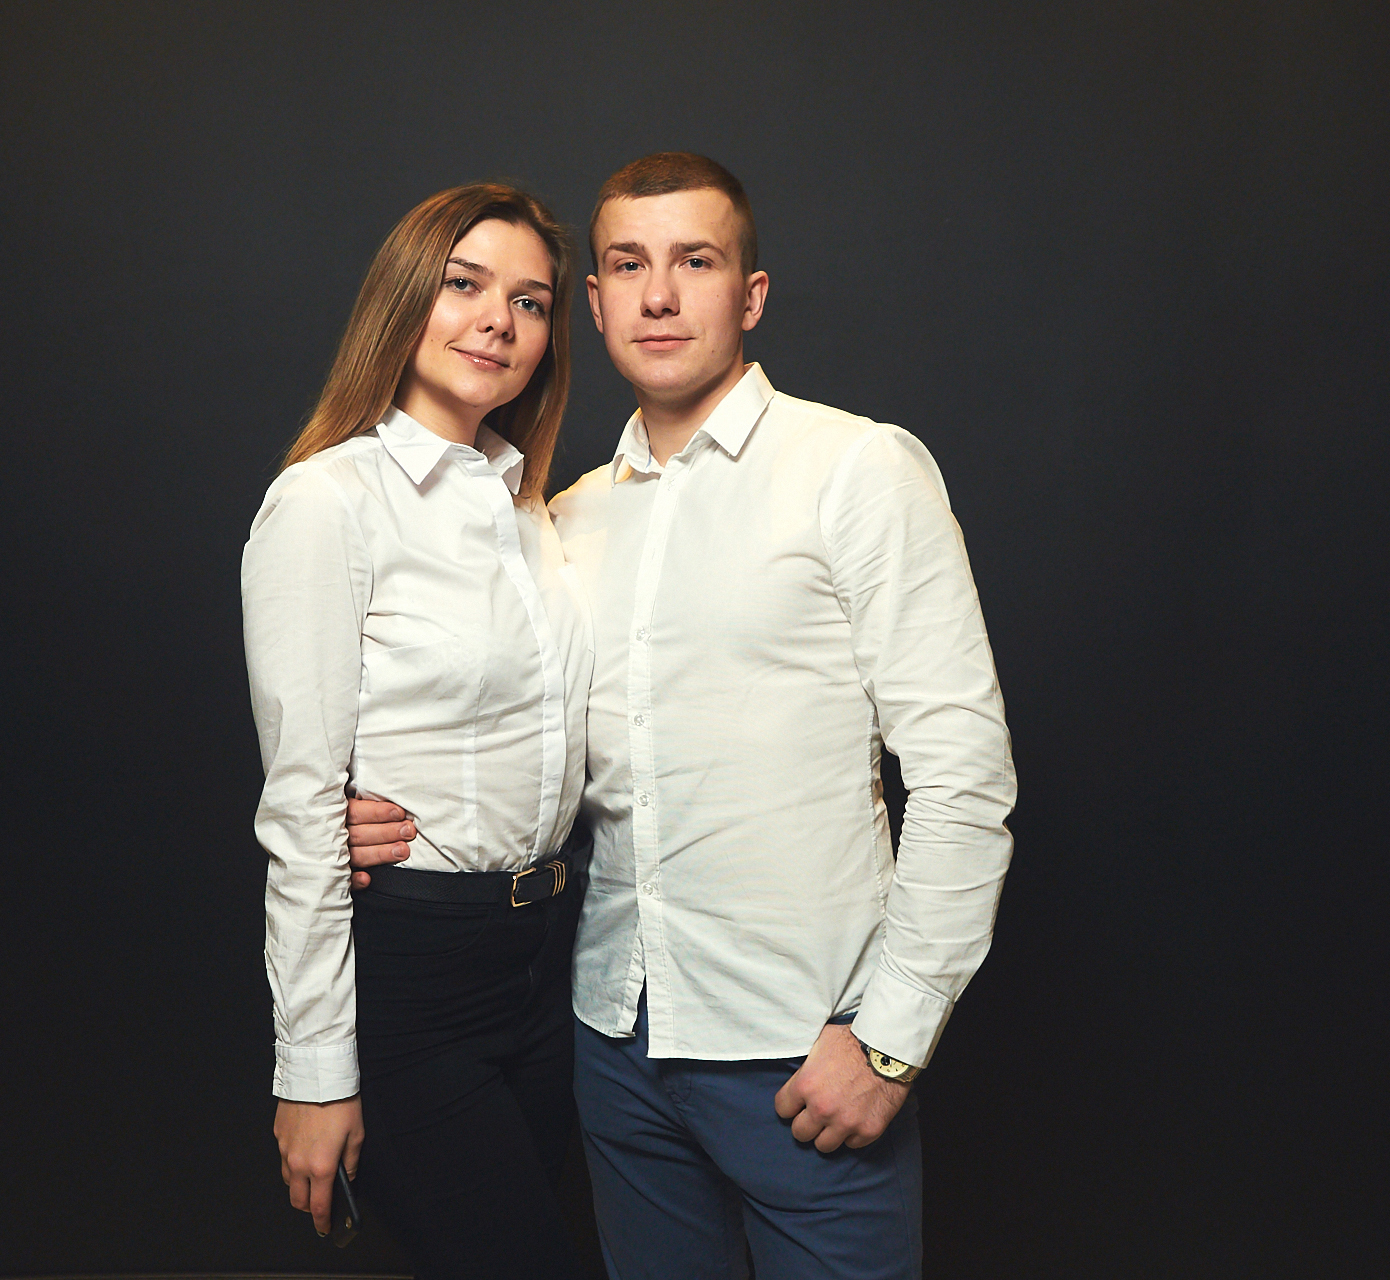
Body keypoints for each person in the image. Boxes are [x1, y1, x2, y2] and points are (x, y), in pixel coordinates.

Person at [348, 153, 1016, 1279]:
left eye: (694, 261)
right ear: (594, 301)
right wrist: (362, 812)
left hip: (807, 1048)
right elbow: (516, 736)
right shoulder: (560, 519)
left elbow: (964, 776)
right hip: (611, 1048)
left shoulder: (856, 468)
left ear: (749, 296)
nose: (658, 295)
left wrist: (892, 1039)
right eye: (627, 266)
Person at [240, 182, 593, 1279]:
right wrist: (312, 1072)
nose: (499, 320)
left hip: (550, 963)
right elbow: (302, 803)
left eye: (530, 301)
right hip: (412, 977)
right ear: (403, 299)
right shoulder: (327, 502)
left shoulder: (532, 512)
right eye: (464, 284)